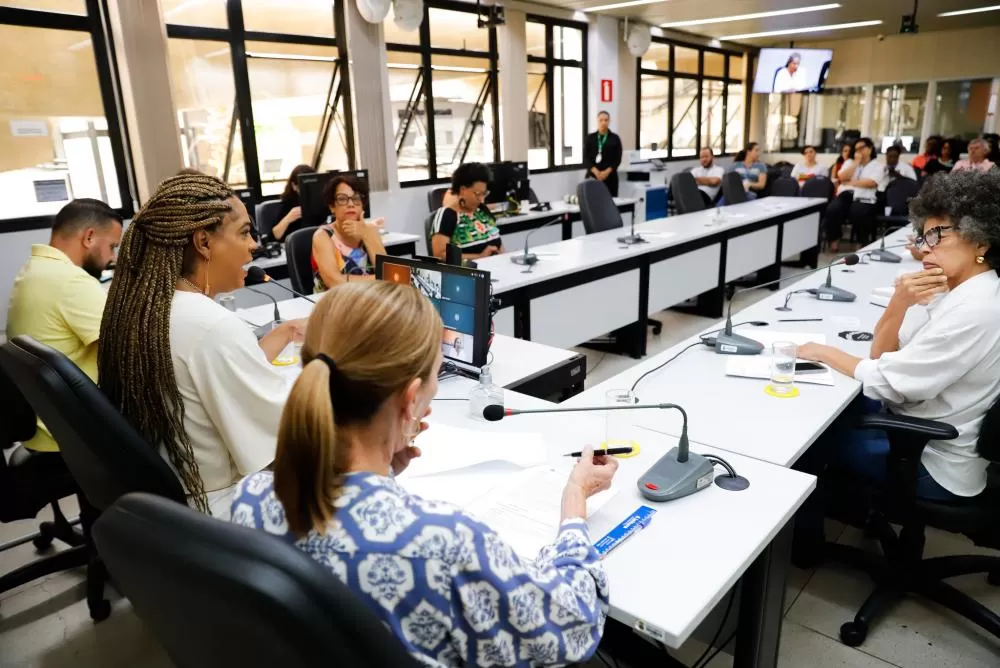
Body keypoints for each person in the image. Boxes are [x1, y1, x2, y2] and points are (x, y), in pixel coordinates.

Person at [231, 281, 616, 667]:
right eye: (436, 375)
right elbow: (572, 625)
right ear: (411, 398)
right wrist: (574, 506)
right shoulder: (440, 540)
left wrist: (385, 475)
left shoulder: (251, 498)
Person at [794, 170, 1000, 560]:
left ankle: (806, 550)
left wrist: (823, 352)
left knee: (806, 440)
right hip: (929, 433)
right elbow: (882, 355)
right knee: (840, 408)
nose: (925, 250)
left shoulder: (976, 308)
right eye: (924, 237)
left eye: (938, 237)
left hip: (933, 463)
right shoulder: (962, 290)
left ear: (981, 239)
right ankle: (859, 513)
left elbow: (888, 382)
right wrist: (899, 303)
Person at [98, 173, 304, 519]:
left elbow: (203, 376)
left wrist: (280, 336)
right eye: (244, 232)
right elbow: (287, 442)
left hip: (169, 508)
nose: (254, 245)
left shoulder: (145, 307)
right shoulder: (212, 327)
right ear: (204, 242)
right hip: (221, 512)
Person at [6, 199, 123, 453]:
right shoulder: (71, 282)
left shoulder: (32, 272)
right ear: (89, 237)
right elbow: (131, 349)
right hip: (72, 434)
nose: (113, 258)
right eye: (112, 246)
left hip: (44, 425)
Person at [311, 174, 386, 293]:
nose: (350, 204)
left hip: (370, 300)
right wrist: (379, 279)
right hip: (335, 302)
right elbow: (334, 282)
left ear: (362, 205)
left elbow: (386, 271)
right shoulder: (323, 236)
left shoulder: (370, 230)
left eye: (356, 198)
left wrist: (366, 235)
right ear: (332, 207)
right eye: (342, 199)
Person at [429, 162, 503, 262]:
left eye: (484, 194)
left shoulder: (482, 210)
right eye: (477, 194)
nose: (481, 200)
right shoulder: (447, 215)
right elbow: (440, 255)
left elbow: (499, 244)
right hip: (467, 273)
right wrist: (480, 257)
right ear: (463, 190)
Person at [822, 137, 884, 251]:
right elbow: (842, 177)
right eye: (856, 149)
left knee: (858, 212)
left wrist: (850, 182)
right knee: (832, 210)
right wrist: (856, 162)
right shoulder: (850, 162)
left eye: (862, 148)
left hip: (865, 197)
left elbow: (872, 183)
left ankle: (861, 242)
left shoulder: (877, 165)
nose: (858, 151)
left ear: (870, 149)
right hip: (846, 194)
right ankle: (834, 239)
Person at [271, 164, 316, 241]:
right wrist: (288, 218)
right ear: (294, 186)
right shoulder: (288, 203)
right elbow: (274, 236)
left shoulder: (320, 201)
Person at [583, 110, 623, 197]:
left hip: (610, 178)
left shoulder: (615, 138)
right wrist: (597, 173)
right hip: (593, 176)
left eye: (606, 120)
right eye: (601, 120)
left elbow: (617, 159)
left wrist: (606, 172)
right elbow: (586, 158)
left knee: (610, 203)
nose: (603, 122)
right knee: (592, 203)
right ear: (597, 121)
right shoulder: (590, 138)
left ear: (609, 121)